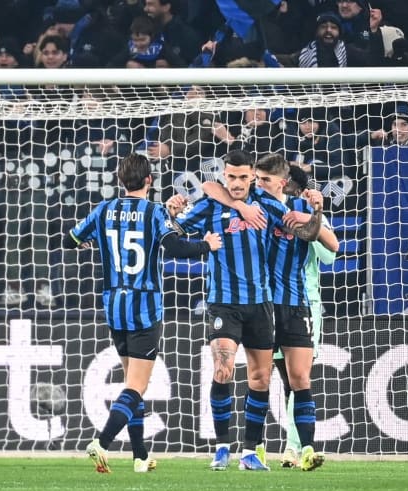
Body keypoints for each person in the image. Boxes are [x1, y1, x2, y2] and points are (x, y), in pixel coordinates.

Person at [165, 149, 323, 471]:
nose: (236, 183)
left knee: (260, 378)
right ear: (224, 176)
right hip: (224, 301)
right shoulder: (211, 205)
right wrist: (172, 212)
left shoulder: (268, 205)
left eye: (242, 177)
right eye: (231, 177)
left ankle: (250, 452)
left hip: (261, 304)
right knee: (223, 370)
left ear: (252, 176)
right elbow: (174, 233)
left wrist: (315, 212)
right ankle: (222, 447)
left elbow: (306, 234)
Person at [64, 154, 221, 474]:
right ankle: (102, 442)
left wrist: (86, 243)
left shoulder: (103, 210)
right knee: (136, 385)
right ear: (149, 180)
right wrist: (207, 245)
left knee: (131, 384)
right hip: (144, 306)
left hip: (113, 306)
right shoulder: (153, 212)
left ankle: (140, 456)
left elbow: (70, 239)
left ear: (120, 180)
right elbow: (174, 247)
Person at [274, 165, 338, 469]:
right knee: (284, 379)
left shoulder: (311, 213)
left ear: (295, 188)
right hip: (273, 302)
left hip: (306, 303)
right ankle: (275, 447)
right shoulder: (268, 210)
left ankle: (293, 447)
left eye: (284, 183)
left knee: (298, 378)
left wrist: (311, 220)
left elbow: (329, 255)